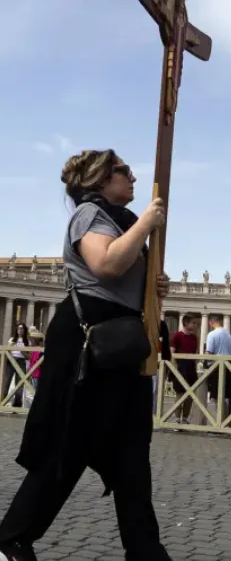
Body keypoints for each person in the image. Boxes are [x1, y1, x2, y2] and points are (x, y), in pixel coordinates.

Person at [0, 149, 171, 561]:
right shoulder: (89, 215)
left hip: (121, 344)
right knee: (69, 442)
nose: (132, 176)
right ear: (98, 181)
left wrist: (152, 285)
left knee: (132, 452)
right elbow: (106, 264)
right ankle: (11, 539)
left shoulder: (119, 223)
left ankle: (146, 551)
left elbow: (123, 275)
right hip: (88, 343)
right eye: (122, 171)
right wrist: (147, 223)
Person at [169, 314, 200, 424]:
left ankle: (185, 418)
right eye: (193, 323)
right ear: (186, 323)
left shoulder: (194, 337)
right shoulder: (177, 336)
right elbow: (171, 353)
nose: (195, 325)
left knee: (190, 394)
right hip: (180, 367)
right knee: (180, 394)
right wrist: (174, 370)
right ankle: (177, 419)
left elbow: (195, 353)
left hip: (190, 368)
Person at [4, 323, 31, 407]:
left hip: (21, 361)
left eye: (22, 328)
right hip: (11, 360)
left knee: (19, 383)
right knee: (6, 382)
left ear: (24, 330)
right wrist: (10, 346)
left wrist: (23, 353)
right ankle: (2, 401)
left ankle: (17, 404)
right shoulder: (11, 339)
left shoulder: (27, 342)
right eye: (19, 328)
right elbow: (6, 352)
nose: (20, 330)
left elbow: (28, 356)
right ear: (16, 330)